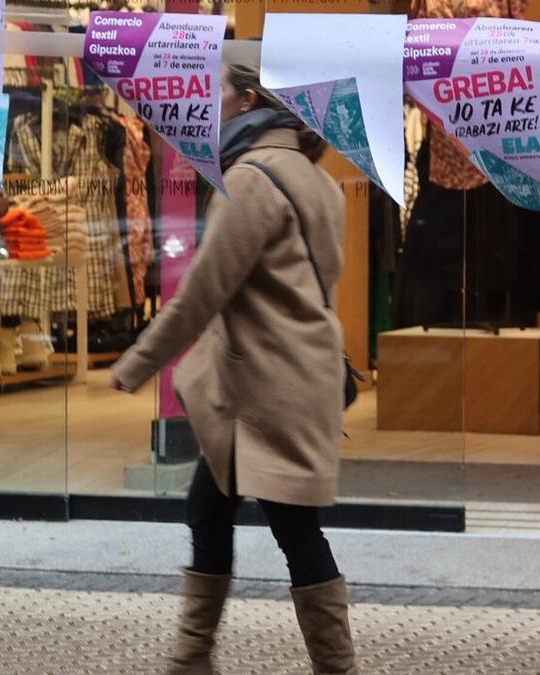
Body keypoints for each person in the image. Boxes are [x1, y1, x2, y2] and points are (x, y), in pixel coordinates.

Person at [111, 64, 356, 674]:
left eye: (218, 91)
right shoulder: (318, 181)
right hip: (287, 380)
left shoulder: (252, 179)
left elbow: (202, 292)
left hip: (266, 393)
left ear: (247, 99)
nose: (208, 103)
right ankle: (192, 658)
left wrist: (137, 363)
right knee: (210, 511)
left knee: (296, 534)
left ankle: (334, 668)